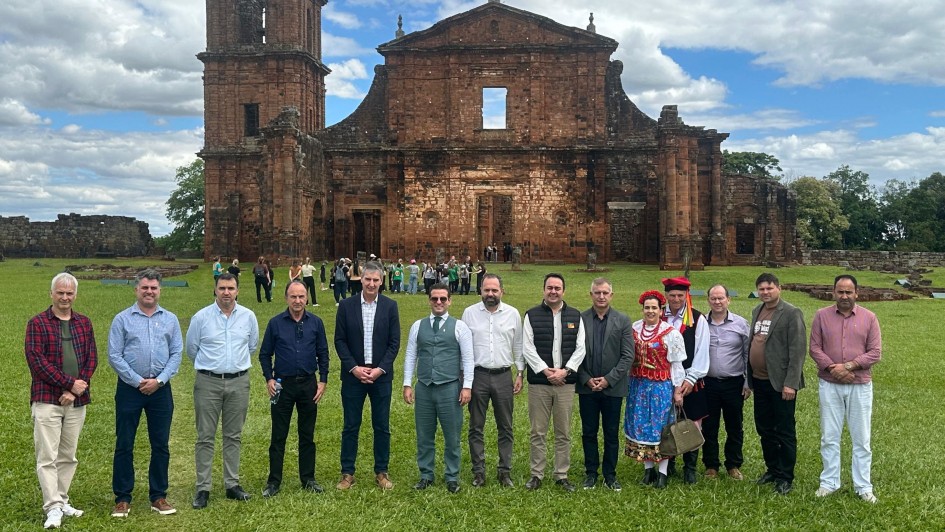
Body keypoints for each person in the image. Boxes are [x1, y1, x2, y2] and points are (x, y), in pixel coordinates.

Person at [107, 269, 183, 518]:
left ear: (160, 290)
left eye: (154, 288)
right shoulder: (122, 319)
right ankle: (122, 497)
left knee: (160, 444)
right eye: (145, 287)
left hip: (161, 390)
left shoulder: (170, 319)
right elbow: (114, 355)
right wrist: (138, 380)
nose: (149, 291)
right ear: (136, 289)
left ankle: (158, 496)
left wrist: (159, 381)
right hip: (130, 389)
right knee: (124, 443)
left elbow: (176, 355)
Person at [25, 273, 98, 529]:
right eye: (60, 293)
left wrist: (76, 390)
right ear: (52, 294)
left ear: (75, 295)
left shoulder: (84, 323)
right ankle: (52, 507)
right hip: (47, 400)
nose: (65, 297)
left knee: (68, 455)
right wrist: (69, 384)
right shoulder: (37, 323)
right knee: (47, 456)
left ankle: (62, 500)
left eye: (69, 293)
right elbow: (37, 362)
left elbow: (91, 359)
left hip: (76, 402)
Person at [186, 272, 260, 509]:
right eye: (222, 288)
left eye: (230, 288)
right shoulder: (201, 318)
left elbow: (251, 346)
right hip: (208, 382)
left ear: (238, 290)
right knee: (205, 437)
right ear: (215, 290)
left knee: (233, 436)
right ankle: (203, 488)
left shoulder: (248, 317)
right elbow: (192, 349)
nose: (226, 292)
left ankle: (232, 484)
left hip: (239, 381)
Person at [809, 274, 881, 504]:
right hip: (829, 384)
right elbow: (815, 348)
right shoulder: (821, 316)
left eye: (849, 292)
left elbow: (875, 352)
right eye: (840, 291)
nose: (844, 296)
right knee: (829, 436)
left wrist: (849, 366)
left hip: (859, 385)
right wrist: (833, 368)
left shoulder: (870, 318)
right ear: (833, 293)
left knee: (862, 439)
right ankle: (829, 482)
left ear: (856, 293)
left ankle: (863, 486)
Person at [259, 281, 330, 497]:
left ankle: (308, 478)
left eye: (301, 296)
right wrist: (269, 379)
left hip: (308, 384)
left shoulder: (316, 323)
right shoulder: (275, 323)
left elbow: (323, 353)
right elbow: (264, 354)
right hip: (282, 385)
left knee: (307, 434)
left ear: (307, 297)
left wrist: (323, 380)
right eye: (293, 297)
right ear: (286, 298)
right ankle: (274, 481)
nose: (297, 301)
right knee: (279, 434)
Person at [334, 261, 401, 490]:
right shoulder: (346, 306)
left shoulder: (390, 307)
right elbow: (340, 341)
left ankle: (381, 472)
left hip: (381, 376)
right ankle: (347, 473)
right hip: (354, 375)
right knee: (351, 425)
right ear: (360, 279)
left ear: (381, 281)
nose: (371, 284)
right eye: (367, 279)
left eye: (376, 280)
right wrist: (354, 368)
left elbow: (394, 343)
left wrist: (380, 369)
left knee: (381, 425)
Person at [403, 284, 475, 493]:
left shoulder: (459, 327)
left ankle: (452, 476)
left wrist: (467, 387)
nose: (439, 302)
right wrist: (408, 383)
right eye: (435, 299)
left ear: (449, 301)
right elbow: (410, 356)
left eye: (443, 299)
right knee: (424, 435)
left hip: (449, 388)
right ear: (429, 301)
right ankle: (426, 474)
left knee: (452, 436)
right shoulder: (418, 325)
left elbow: (468, 359)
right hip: (424, 387)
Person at [522, 273, 586, 492]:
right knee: (537, 431)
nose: (553, 291)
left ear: (563, 291)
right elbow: (527, 347)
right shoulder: (531, 315)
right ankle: (536, 474)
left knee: (563, 431)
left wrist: (565, 371)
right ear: (544, 290)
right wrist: (545, 370)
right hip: (540, 383)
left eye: (557, 288)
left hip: (565, 384)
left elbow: (581, 348)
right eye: (549, 287)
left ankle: (561, 474)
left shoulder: (576, 316)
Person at [460, 273, 524, 488]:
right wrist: (465, 381)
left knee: (505, 426)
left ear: (501, 292)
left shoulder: (513, 314)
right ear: (481, 291)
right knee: (476, 426)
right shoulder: (469, 314)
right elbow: (464, 349)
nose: (490, 294)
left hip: (504, 375)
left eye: (494, 290)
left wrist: (520, 373)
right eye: (486, 290)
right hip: (478, 376)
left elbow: (518, 345)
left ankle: (504, 472)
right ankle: (479, 471)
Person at [748, 272, 806, 495]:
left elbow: (798, 350)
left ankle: (785, 476)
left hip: (782, 384)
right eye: (761, 289)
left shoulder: (791, 313)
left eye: (769, 288)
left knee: (784, 430)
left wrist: (791, 383)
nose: (765, 292)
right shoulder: (757, 311)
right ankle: (772, 468)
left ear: (778, 288)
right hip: (760, 381)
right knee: (764, 429)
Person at [624, 290, 686, 489]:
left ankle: (663, 473)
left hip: (661, 388)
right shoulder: (634, 328)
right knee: (642, 427)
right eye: (647, 308)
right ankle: (648, 469)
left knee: (661, 430)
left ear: (661, 310)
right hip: (638, 386)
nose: (650, 311)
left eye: (654, 308)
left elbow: (676, 365)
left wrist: (677, 391)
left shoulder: (671, 333)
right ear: (642, 309)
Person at [577, 278, 634, 491]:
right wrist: (586, 378)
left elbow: (628, 356)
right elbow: (573, 354)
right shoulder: (580, 319)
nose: (601, 296)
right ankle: (591, 473)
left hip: (613, 388)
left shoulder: (622, 320)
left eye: (605, 293)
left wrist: (609, 379)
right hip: (587, 386)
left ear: (612, 295)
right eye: (597, 292)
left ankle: (610, 475)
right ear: (590, 295)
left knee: (611, 432)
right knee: (589, 432)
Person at [661, 276, 710, 484]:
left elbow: (702, 352)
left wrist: (689, 380)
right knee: (667, 422)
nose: (676, 299)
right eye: (672, 295)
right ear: (666, 296)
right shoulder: (657, 316)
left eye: (680, 295)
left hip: (691, 381)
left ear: (686, 296)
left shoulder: (697, 319)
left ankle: (690, 467)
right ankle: (668, 463)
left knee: (692, 421)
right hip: (664, 380)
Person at [702, 285, 751, 481]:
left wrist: (748, 381)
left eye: (721, 298)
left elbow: (748, 354)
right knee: (709, 426)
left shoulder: (741, 324)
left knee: (734, 425)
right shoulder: (701, 324)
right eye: (713, 298)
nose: (717, 302)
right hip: (708, 383)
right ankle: (711, 465)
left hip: (734, 383)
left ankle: (733, 464)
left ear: (728, 300)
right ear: (708, 301)